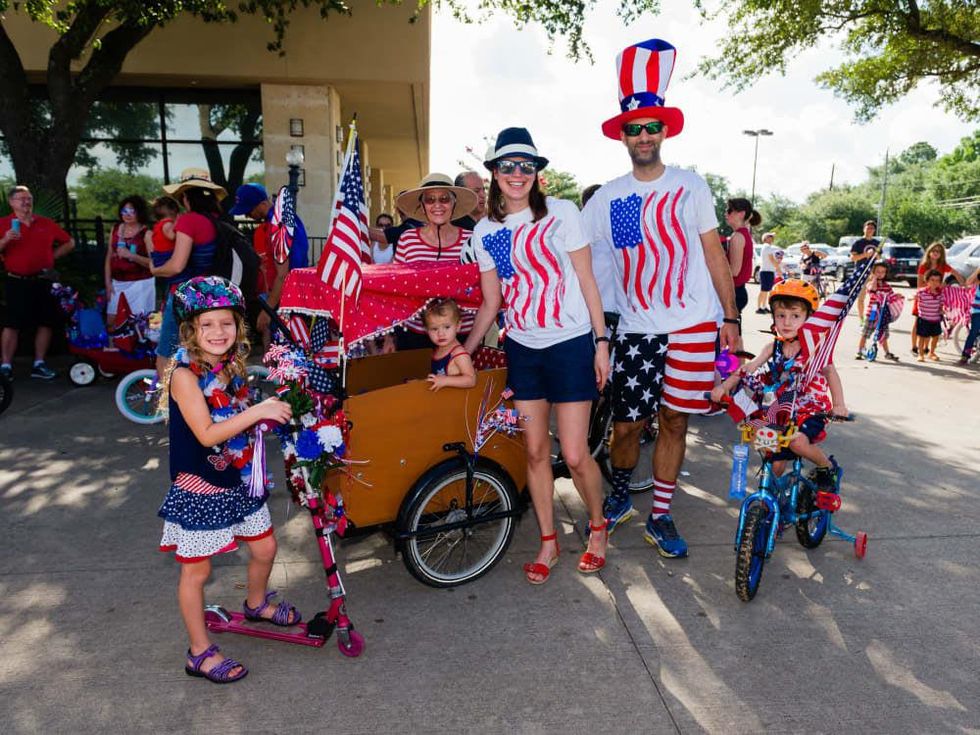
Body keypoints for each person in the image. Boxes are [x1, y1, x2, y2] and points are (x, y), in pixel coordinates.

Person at [582, 39, 740, 559]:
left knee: (675, 419)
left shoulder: (691, 186)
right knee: (627, 424)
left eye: (653, 126)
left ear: (664, 131)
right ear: (623, 136)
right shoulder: (606, 198)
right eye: (635, 128)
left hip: (694, 324)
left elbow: (715, 255)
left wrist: (731, 319)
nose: (644, 135)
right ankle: (622, 494)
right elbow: (580, 261)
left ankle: (663, 514)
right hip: (637, 327)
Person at [464, 127, 611, 583]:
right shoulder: (486, 231)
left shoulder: (563, 213)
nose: (516, 174)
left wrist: (601, 342)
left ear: (536, 173)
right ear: (493, 172)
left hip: (569, 343)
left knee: (574, 453)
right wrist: (463, 350)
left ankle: (598, 527)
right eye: (507, 166)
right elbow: (492, 302)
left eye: (526, 166)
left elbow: (588, 280)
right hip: (523, 347)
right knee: (533, 451)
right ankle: (548, 542)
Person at [157, 276, 296, 684]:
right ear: (190, 331)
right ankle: (198, 652)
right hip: (199, 486)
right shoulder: (184, 375)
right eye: (208, 325)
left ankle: (256, 603)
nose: (219, 332)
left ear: (239, 327)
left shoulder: (229, 366)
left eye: (227, 323)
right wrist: (259, 412)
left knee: (266, 547)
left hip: (236, 479)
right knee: (196, 573)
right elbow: (207, 433)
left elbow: (238, 417)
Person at [711, 280, 838, 490]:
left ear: (809, 318)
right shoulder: (773, 346)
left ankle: (826, 467)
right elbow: (748, 369)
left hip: (810, 409)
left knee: (797, 442)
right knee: (771, 456)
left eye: (795, 316)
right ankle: (768, 503)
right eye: (781, 315)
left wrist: (839, 404)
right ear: (773, 317)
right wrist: (724, 387)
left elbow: (830, 372)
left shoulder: (814, 349)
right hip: (779, 410)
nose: (787, 322)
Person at [151, 168, 228, 375]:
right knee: (204, 356)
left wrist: (155, 269)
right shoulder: (216, 222)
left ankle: (169, 406)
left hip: (185, 296)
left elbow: (176, 265)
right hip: (212, 297)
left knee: (165, 357)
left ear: (185, 197)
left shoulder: (189, 220)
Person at [392, 173, 478, 350]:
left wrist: (468, 348)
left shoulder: (472, 240)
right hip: (415, 337)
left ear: (454, 204)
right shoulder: (407, 239)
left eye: (444, 199)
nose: (437, 205)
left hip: (463, 338)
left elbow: (483, 289)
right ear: (422, 206)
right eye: (430, 200)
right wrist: (389, 337)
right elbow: (396, 293)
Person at [0, 185, 75, 380]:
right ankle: (6, 365)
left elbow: (69, 242)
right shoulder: (4, 223)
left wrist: (52, 257)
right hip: (16, 279)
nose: (26, 202)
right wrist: (5, 240)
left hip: (43, 279)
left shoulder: (45, 223)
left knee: (46, 322)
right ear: (11, 202)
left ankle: (39, 363)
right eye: (21, 199)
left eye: (28, 198)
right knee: (12, 323)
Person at [228, 183, 310, 347]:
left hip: (290, 298)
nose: (247, 214)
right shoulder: (286, 218)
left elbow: (282, 274)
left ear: (263, 204)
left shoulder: (277, 225)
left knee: (288, 354)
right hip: (295, 294)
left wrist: (267, 311)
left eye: (249, 209)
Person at [105, 196, 154, 330]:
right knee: (111, 319)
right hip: (117, 282)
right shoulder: (115, 229)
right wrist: (108, 283)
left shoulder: (147, 234)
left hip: (140, 283)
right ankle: (112, 349)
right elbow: (109, 256)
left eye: (132, 211)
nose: (127, 214)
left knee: (139, 322)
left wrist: (132, 256)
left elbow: (154, 264)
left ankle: (139, 349)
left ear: (140, 212)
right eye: (124, 211)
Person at [913, 242, 964, 354]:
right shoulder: (924, 266)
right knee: (918, 322)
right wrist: (931, 287)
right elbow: (919, 284)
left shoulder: (943, 266)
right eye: (934, 251)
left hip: (936, 298)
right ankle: (914, 347)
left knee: (932, 323)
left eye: (939, 252)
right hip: (923, 296)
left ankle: (927, 348)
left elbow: (955, 273)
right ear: (929, 252)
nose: (936, 253)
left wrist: (963, 284)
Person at [423, 298, 476, 391]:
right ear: (427, 330)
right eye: (434, 329)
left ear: (458, 326)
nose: (441, 334)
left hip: (457, 402)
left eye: (447, 327)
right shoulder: (438, 350)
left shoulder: (458, 353)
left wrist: (445, 381)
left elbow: (471, 379)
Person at [855, 262, 900, 361]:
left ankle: (887, 353)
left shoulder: (887, 286)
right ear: (873, 272)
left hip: (883, 314)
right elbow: (873, 290)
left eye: (883, 272)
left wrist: (897, 296)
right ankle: (860, 351)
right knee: (865, 333)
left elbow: (891, 297)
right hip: (872, 313)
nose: (880, 274)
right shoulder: (870, 284)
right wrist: (874, 278)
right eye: (878, 272)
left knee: (883, 334)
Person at [724, 198, 759, 321]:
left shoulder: (737, 236)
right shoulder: (743, 234)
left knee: (729, 337)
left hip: (734, 292)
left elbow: (734, 271)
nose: (726, 214)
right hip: (738, 291)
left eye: (729, 211)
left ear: (741, 214)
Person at [850, 220, 880, 318]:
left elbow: (879, 258)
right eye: (868, 228)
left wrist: (876, 254)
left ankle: (871, 318)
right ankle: (861, 318)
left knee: (875, 298)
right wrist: (865, 255)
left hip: (874, 274)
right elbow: (853, 258)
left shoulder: (877, 243)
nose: (869, 230)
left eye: (872, 228)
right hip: (861, 273)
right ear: (864, 229)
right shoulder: (858, 243)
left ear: (874, 230)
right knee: (861, 298)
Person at [914, 269, 944, 362]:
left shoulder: (940, 293)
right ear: (927, 281)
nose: (935, 283)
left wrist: (942, 310)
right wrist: (912, 297)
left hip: (935, 319)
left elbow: (941, 304)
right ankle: (921, 354)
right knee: (922, 337)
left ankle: (931, 352)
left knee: (935, 337)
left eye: (937, 280)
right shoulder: (921, 292)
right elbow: (914, 296)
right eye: (932, 280)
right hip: (924, 318)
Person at [147, 195, 180, 271]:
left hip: (158, 255)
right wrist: (177, 222)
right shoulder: (167, 224)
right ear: (173, 211)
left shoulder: (158, 225)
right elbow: (172, 236)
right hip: (166, 255)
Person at [957, 265, 980, 365]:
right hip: (977, 310)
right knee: (974, 331)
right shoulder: (978, 281)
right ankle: (965, 355)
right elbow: (968, 282)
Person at [756, 232, 781, 313]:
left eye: (772, 237)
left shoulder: (768, 247)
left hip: (768, 271)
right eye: (769, 236)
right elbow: (772, 259)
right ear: (765, 238)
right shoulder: (767, 247)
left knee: (766, 290)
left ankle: (764, 306)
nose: (771, 238)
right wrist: (778, 268)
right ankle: (759, 308)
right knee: (763, 290)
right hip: (766, 271)